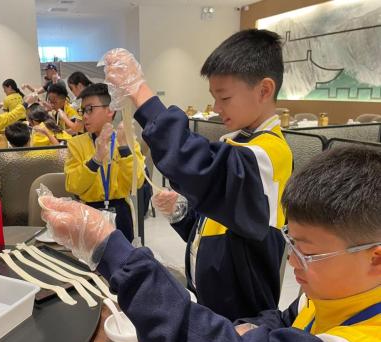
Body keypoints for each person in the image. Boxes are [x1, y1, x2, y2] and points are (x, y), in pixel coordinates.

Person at [41, 146, 381, 342]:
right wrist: (253, 327)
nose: (292, 261)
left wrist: (111, 250)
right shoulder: (334, 291)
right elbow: (290, 319)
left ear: (375, 258)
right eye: (290, 243)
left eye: (308, 253)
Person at [102, 30, 293, 321]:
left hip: (242, 315)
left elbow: (201, 169)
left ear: (265, 90)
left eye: (225, 97)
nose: (216, 108)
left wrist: (140, 92)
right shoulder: (238, 143)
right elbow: (218, 224)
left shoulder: (271, 154)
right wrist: (182, 214)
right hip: (211, 300)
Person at [64, 83, 145, 242]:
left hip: (121, 212)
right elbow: (73, 185)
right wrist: (95, 160)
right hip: (89, 210)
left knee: (122, 255)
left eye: (90, 109)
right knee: (90, 256)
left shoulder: (126, 140)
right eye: (82, 111)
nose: (84, 116)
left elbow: (137, 182)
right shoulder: (76, 144)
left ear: (110, 110)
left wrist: (124, 149)